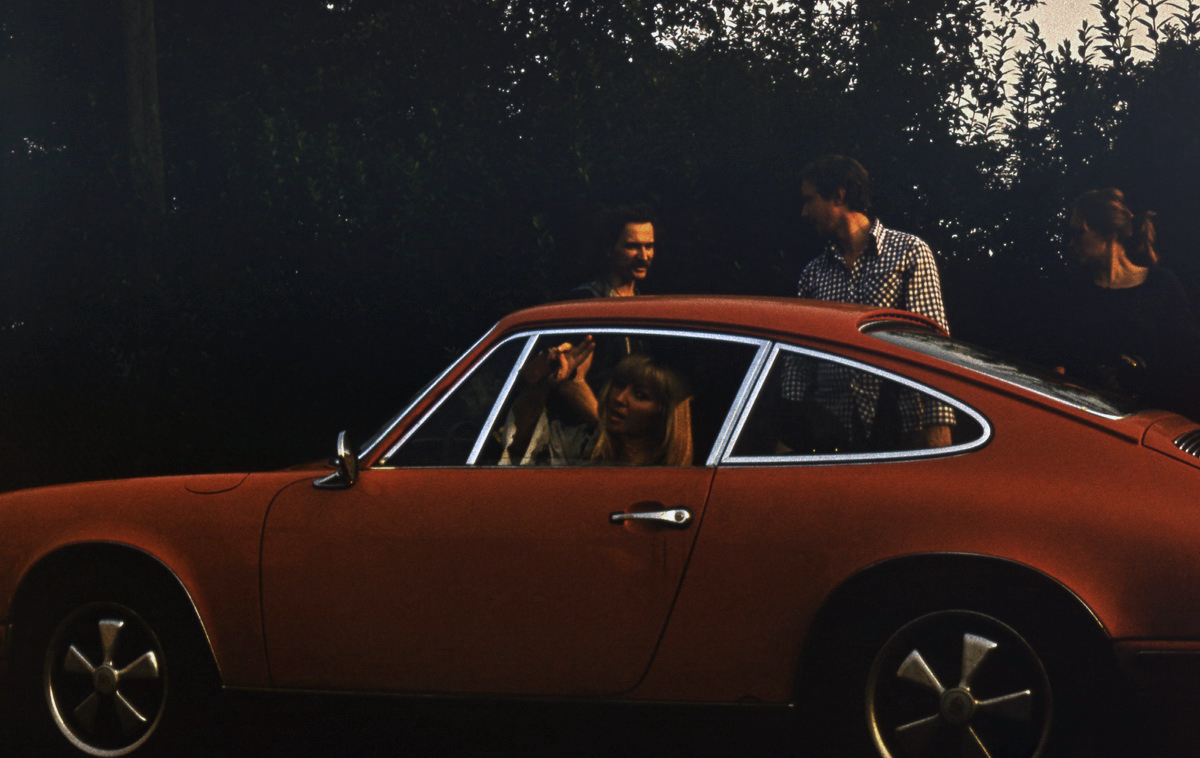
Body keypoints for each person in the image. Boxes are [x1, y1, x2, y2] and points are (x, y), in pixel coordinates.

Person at [789, 154, 954, 448]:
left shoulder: (909, 252)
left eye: (809, 200)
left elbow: (933, 344)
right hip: (830, 436)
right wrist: (788, 432)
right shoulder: (812, 274)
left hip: (903, 429)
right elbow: (799, 361)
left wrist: (938, 424)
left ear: (838, 196)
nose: (803, 212)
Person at [1053, 188, 1200, 419]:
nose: (1072, 243)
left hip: (1148, 425)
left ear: (1109, 233)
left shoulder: (1160, 286)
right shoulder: (1076, 291)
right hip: (1085, 419)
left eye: (1079, 233)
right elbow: (1059, 363)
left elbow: (1188, 361)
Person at [500, 337, 694, 466]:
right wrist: (542, 385)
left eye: (640, 395)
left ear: (663, 413)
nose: (619, 398)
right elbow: (519, 452)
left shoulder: (668, 474)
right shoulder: (585, 444)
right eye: (619, 385)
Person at [563, 205, 656, 299]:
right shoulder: (585, 298)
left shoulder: (645, 297)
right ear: (609, 249)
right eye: (632, 247)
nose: (643, 257)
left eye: (648, 246)